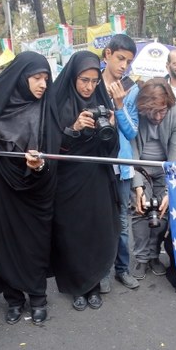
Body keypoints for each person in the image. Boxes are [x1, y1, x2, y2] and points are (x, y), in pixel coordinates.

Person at [0, 52, 57, 325]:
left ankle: (38, 297)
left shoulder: (46, 110)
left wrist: (39, 165)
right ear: (21, 78)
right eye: (36, 78)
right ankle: (13, 299)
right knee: (2, 243)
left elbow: (53, 154)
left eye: (46, 78)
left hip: (33, 188)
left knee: (34, 243)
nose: (43, 84)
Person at [46, 51, 120, 312]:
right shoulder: (57, 104)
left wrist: (112, 124)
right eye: (83, 80)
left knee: (96, 231)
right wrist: (73, 129)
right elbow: (51, 147)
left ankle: (94, 285)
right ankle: (76, 286)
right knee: (72, 233)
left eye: (94, 81)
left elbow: (112, 150)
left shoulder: (101, 102)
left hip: (97, 179)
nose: (89, 87)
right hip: (68, 181)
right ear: (73, 77)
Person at [129, 79, 176, 280]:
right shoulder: (135, 108)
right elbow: (132, 150)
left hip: (165, 165)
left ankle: (154, 255)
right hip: (140, 163)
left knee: (162, 211)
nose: (156, 117)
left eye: (162, 111)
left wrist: (170, 191)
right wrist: (137, 185)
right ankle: (141, 258)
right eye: (151, 112)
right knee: (140, 209)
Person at [99, 34, 140, 293]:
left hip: (122, 167)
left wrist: (119, 105)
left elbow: (132, 131)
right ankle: (101, 271)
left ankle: (122, 269)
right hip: (97, 166)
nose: (124, 65)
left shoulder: (131, 88)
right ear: (108, 55)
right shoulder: (91, 82)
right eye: (120, 58)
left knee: (123, 222)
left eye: (128, 61)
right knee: (100, 221)